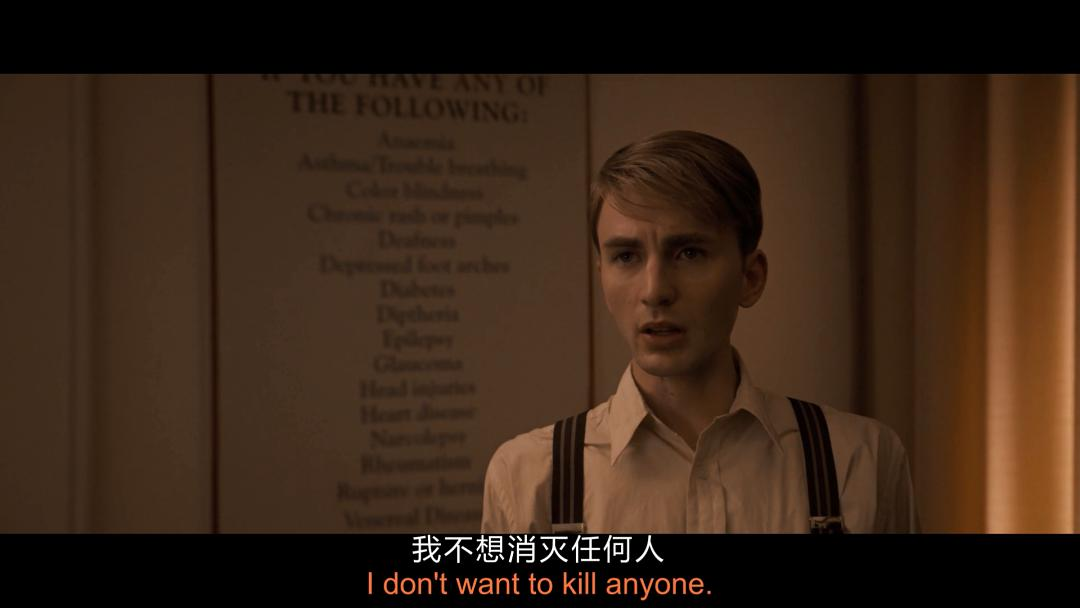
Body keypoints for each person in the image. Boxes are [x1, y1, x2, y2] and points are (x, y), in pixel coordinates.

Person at [481, 130, 918, 533]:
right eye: (626, 256)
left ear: (750, 278)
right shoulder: (528, 479)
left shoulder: (861, 461)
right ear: (602, 277)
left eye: (689, 253)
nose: (655, 291)